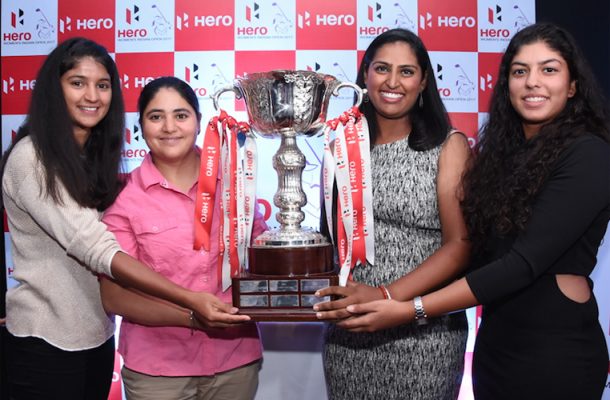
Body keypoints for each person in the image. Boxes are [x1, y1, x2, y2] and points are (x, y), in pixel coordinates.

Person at [319, 23, 610, 400]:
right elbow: (482, 249)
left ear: (573, 86)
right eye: (520, 71)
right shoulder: (507, 157)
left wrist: (406, 307)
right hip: (495, 346)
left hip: (553, 350)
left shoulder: (589, 154)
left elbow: (519, 264)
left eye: (548, 69)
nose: (532, 82)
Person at [1, 38, 249, 400]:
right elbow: (97, 248)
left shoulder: (92, 160)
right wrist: (191, 302)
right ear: (54, 90)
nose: (92, 96)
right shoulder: (32, 157)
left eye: (102, 85)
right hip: (45, 341)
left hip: (95, 339)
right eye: (77, 82)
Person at [315, 28, 472, 399]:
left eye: (406, 71)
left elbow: (461, 245)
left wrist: (385, 295)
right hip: (350, 332)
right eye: (382, 68)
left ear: (423, 82)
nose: (392, 81)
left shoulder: (449, 146)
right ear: (365, 76)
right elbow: (331, 240)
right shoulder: (341, 147)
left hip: (425, 333)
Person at [100, 76, 265, 400]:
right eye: (155, 116)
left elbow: (261, 262)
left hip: (235, 361)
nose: (169, 127)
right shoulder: (124, 198)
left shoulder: (234, 182)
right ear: (140, 127)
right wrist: (193, 316)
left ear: (198, 121)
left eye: (180, 115)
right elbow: (115, 297)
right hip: (158, 372)